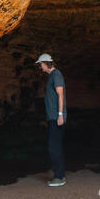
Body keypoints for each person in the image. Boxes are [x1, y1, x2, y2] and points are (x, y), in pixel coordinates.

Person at [37, 54, 66, 187]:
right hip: (52, 117)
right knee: (54, 146)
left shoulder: (56, 75)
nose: (40, 67)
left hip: (56, 117)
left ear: (46, 63)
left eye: (41, 64)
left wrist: (60, 114)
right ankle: (59, 173)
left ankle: (59, 177)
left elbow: (60, 95)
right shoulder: (52, 76)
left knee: (53, 147)